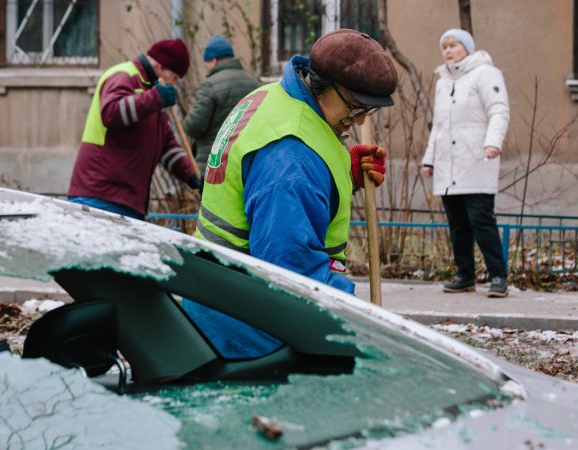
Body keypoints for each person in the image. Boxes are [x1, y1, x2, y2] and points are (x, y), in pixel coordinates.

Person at [185, 29, 397, 358]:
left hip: (220, 303)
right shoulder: (291, 159)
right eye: (355, 108)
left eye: (367, 112)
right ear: (324, 83)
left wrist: (343, 174)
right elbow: (293, 277)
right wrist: (360, 318)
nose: (357, 121)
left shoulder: (273, 97)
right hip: (248, 332)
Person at [68, 38, 202, 220]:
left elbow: (166, 146)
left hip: (127, 201)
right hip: (99, 196)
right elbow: (111, 112)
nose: (174, 84)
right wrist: (155, 98)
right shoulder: (124, 76)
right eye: (175, 78)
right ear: (161, 68)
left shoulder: (154, 94)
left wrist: (191, 175)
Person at [421, 29, 510, 297]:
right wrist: (429, 159)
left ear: (467, 48)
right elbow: (438, 126)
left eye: (454, 45)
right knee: (458, 224)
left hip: (476, 160)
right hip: (448, 166)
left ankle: (498, 277)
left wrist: (493, 142)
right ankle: (465, 275)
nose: (448, 50)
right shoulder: (443, 82)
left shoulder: (486, 73)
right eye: (444, 46)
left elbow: (499, 110)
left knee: (481, 221)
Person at [182, 35, 260, 175]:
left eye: (207, 65)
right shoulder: (254, 84)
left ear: (213, 60)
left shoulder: (210, 85)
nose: (207, 69)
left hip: (214, 164)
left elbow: (194, 126)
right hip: (246, 163)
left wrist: (186, 123)